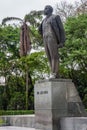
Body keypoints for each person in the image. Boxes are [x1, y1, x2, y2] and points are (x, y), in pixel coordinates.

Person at [38, 5, 65, 78]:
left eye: (46, 8)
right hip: (45, 39)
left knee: (54, 56)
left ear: (50, 10)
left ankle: (54, 73)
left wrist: (62, 42)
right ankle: (54, 72)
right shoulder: (43, 20)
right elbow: (40, 30)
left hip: (52, 37)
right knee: (49, 57)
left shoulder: (55, 17)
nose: (44, 10)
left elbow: (61, 29)